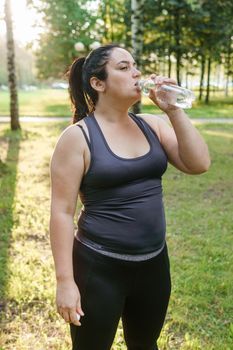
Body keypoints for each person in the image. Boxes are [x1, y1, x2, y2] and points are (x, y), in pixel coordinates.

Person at [49, 43, 210, 350]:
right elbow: (61, 211)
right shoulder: (77, 137)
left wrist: (173, 109)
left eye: (135, 65)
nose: (136, 73)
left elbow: (198, 164)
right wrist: (65, 282)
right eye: (123, 68)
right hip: (99, 267)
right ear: (98, 83)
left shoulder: (152, 124)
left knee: (145, 345)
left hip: (153, 264)